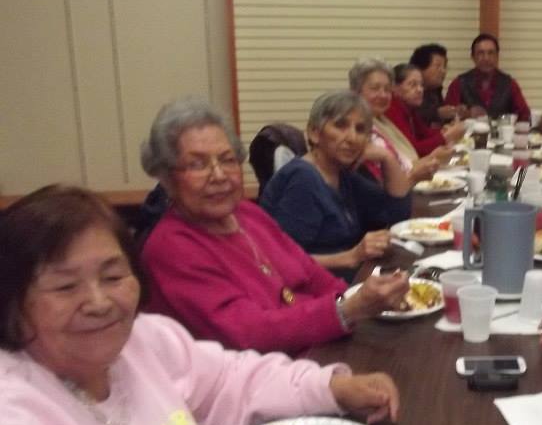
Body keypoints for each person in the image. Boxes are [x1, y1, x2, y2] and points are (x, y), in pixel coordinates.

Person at [0, 184, 401, 425]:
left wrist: (328, 388)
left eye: (113, 275)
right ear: (13, 303)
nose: (100, 301)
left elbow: (230, 379)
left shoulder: (142, 339)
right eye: (65, 286)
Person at [140, 96, 410, 353]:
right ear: (167, 178)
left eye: (227, 159)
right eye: (197, 164)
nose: (219, 175)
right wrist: (347, 309)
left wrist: (353, 299)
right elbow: (248, 333)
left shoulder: (246, 213)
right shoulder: (171, 247)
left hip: (315, 346)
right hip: (253, 384)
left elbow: (311, 273)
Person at [260, 90, 413, 279]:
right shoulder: (303, 180)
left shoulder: (341, 172)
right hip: (317, 293)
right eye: (341, 126)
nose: (352, 137)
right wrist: (352, 256)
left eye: (360, 129)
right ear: (315, 133)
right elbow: (284, 261)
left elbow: (397, 213)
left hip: (346, 280)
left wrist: (387, 157)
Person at [348, 57, 448, 183]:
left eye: (387, 89)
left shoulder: (381, 119)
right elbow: (386, 182)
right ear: (355, 92)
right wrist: (433, 156)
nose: (383, 95)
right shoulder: (357, 130)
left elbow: (405, 164)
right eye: (375, 88)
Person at [444, 33, 531, 121]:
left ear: (497, 57)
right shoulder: (459, 83)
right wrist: (465, 114)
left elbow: (525, 116)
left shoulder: (510, 84)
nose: (486, 58)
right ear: (473, 57)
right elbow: (446, 119)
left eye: (491, 53)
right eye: (481, 53)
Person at [385, 63, 465, 157]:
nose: (420, 90)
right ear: (395, 88)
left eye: (421, 85)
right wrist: (446, 137)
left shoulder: (409, 107)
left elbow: (424, 133)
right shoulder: (392, 109)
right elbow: (413, 150)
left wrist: (444, 130)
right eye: (413, 85)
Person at [409, 42, 465, 124]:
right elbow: (412, 117)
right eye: (437, 66)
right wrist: (437, 114)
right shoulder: (409, 90)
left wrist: (454, 112)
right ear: (420, 68)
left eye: (444, 66)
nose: (443, 71)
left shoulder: (435, 90)